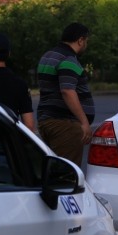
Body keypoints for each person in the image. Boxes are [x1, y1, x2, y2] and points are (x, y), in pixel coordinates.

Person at [36, 22, 94, 166]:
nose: (86, 45)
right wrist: (84, 122)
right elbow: (67, 91)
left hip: (46, 121)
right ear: (80, 40)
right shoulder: (68, 59)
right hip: (64, 125)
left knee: (54, 168)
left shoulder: (48, 55)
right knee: (67, 172)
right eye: (86, 41)